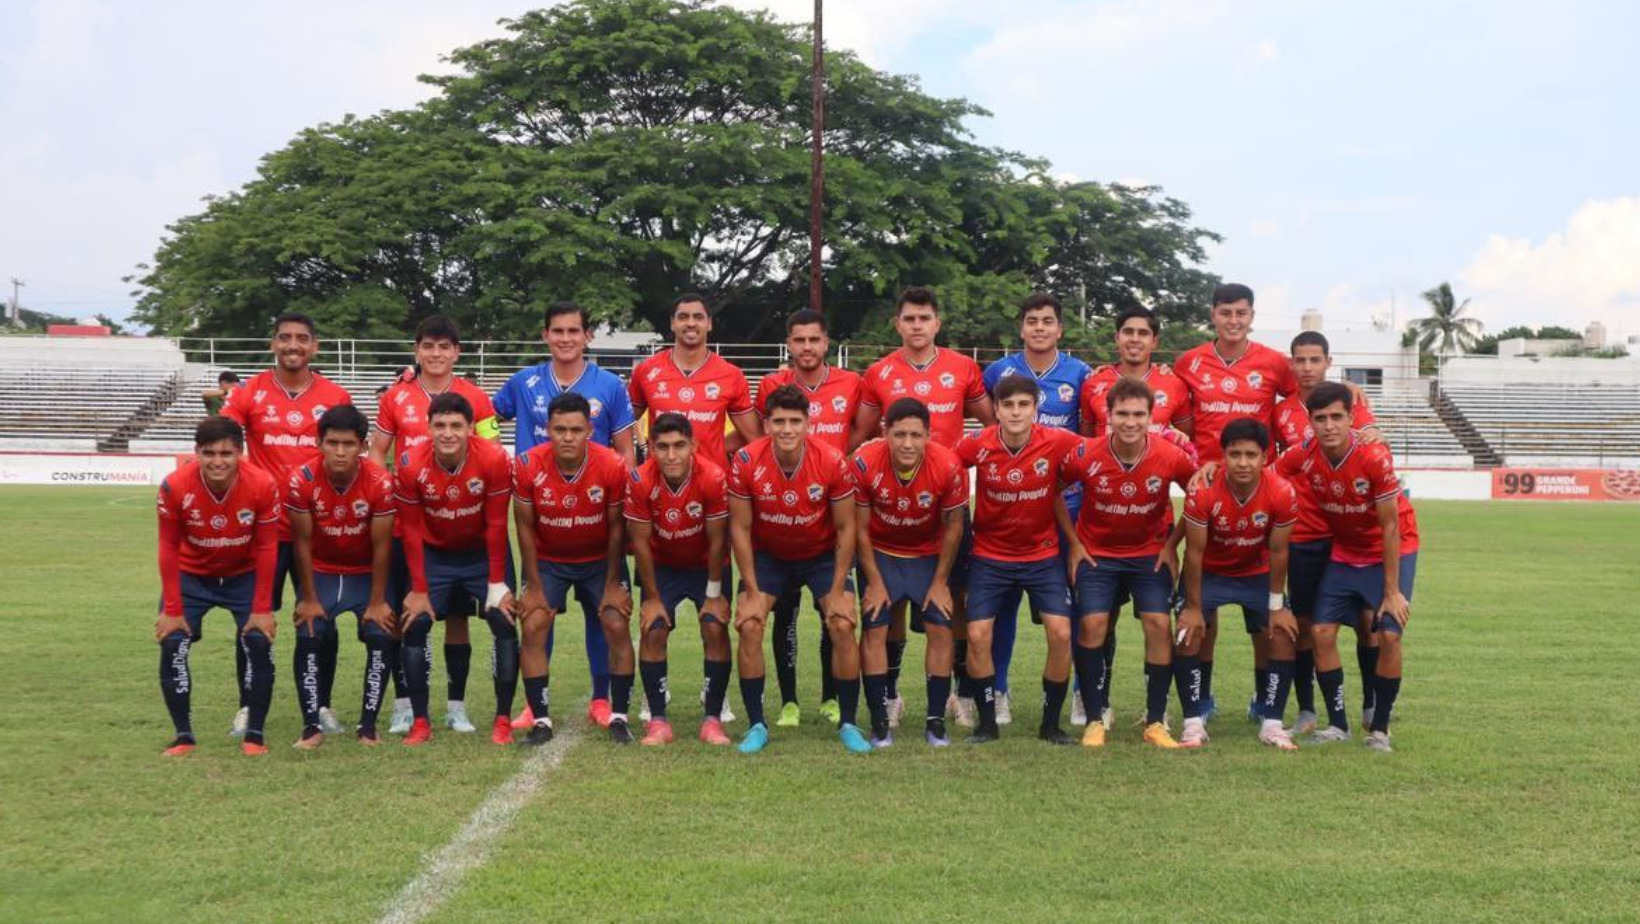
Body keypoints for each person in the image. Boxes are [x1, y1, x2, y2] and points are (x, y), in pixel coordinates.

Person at [853, 286, 994, 727]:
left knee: (954, 604)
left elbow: (991, 425)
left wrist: (958, 458)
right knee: (888, 609)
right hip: (892, 507)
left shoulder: (963, 368)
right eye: (909, 319)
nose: (917, 326)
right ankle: (890, 695)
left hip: (944, 504)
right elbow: (859, 435)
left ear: (937, 323)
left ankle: (958, 693)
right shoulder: (878, 372)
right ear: (898, 324)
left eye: (925, 318)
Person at [493, 302, 637, 729]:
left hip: (595, 504)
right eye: (557, 330)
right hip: (541, 506)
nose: (566, 338)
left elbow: (626, 446)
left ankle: (600, 696)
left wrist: (619, 482)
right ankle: (534, 704)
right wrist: (497, 463)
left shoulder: (609, 385)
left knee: (604, 614)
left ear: (587, 336)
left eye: (574, 330)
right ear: (545, 335)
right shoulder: (524, 381)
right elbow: (485, 417)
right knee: (538, 616)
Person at [220, 312, 352, 737]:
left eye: (302, 339)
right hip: (267, 532)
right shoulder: (249, 392)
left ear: (315, 346)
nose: (293, 345)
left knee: (321, 618)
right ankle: (247, 704)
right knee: (254, 617)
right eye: (285, 338)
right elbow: (222, 441)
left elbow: (346, 456)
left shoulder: (335, 395)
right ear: (273, 343)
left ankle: (322, 704)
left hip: (321, 531)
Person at [369, 315, 500, 736]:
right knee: (409, 613)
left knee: (458, 618)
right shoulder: (395, 396)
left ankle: (456, 706)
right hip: (411, 522)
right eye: (429, 346)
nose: (437, 354)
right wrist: (385, 495)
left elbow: (491, 450)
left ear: (457, 352)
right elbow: (377, 453)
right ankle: (405, 703)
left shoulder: (476, 397)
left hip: (462, 523)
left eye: (445, 347)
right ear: (417, 350)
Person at [1173, 283, 1297, 720]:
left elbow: (1302, 402)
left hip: (1259, 492)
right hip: (1210, 488)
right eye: (1226, 312)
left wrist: (1357, 404)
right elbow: (1180, 422)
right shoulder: (1189, 361)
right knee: (1203, 609)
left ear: (1251, 316)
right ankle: (1201, 701)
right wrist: (1197, 465)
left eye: (1241, 313)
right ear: (1213, 314)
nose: (1233, 320)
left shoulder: (1275, 363)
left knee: (1264, 621)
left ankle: (1265, 703)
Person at [1275, 382, 1418, 752]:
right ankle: (1338, 724)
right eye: (1320, 418)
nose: (1329, 425)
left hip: (1391, 549)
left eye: (1337, 417)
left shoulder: (1373, 457)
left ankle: (1381, 730)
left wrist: (1392, 591)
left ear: (1351, 418)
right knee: (1321, 631)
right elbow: (1266, 475)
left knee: (1388, 634)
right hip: (1345, 550)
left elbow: (1390, 527)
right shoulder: (1305, 453)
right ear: (1310, 422)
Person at [1073, 305, 1195, 728]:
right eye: (1127, 331)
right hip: (1098, 543)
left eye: (1144, 332)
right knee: (1094, 622)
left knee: (1159, 623)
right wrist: (1073, 543)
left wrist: (1171, 543)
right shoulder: (1094, 386)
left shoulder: (1173, 388)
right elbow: (1076, 454)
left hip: (1150, 545)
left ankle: (1155, 716)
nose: (1135, 338)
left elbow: (1195, 486)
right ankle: (1094, 709)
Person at [727, 384, 864, 754]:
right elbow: (739, 528)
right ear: (767, 425)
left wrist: (837, 588)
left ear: (808, 423)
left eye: (795, 421)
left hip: (820, 556)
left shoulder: (832, 460)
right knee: (750, 624)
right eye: (779, 422)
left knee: (842, 623)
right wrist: (752, 590)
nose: (787, 429)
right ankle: (757, 724)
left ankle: (849, 722)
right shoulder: (746, 461)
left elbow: (846, 528)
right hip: (769, 556)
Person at [982, 292, 1092, 726]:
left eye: (1048, 321)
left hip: (1067, 509)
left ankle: (1085, 695)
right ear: (1022, 328)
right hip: (1011, 507)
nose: (1040, 328)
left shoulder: (1080, 374)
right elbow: (990, 428)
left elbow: (1085, 439)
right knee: (1002, 605)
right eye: (1032, 321)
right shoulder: (998, 372)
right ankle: (999, 689)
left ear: (1060, 329)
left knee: (1077, 609)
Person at [954, 375, 1081, 745]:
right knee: (978, 635)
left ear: (1035, 409)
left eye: (1023, 405)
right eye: (1008, 405)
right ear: (995, 409)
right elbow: (941, 461)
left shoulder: (1056, 440)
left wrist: (1171, 438)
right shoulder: (978, 443)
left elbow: (1100, 451)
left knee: (1060, 633)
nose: (1015, 412)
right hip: (989, 556)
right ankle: (987, 724)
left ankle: (1050, 724)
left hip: (1042, 556)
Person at [755, 308, 865, 728]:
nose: (806, 347)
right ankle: (789, 701)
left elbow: (863, 429)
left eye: (813, 340)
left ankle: (831, 697)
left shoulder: (850, 383)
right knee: (783, 613)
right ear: (789, 343)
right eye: (798, 340)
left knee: (831, 612)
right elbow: (760, 434)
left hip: (829, 507)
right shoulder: (772, 385)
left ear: (826, 343)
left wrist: (832, 462)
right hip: (782, 511)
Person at [393, 393, 518, 746]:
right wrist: (418, 589)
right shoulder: (409, 463)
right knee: (415, 623)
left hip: (482, 551)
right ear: (429, 427)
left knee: (503, 619)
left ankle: (503, 720)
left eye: (456, 426)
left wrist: (496, 583)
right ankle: (420, 721)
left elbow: (496, 524)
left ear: (470, 430)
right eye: (440, 425)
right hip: (434, 554)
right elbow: (412, 530)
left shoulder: (493, 458)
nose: (448, 433)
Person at [153, 417, 280, 756]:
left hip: (244, 576)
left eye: (226, 452)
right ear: (196, 453)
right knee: (173, 643)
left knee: (257, 641)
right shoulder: (174, 486)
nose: (217, 461)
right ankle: (183, 737)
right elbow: (167, 547)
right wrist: (173, 609)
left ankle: (254, 736)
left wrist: (262, 608)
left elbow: (269, 547)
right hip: (191, 576)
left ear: (240, 452)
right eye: (208, 453)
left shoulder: (262, 484)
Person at [511, 393, 634, 745]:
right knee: (534, 623)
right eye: (560, 429)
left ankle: (619, 715)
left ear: (590, 430)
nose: (568, 437)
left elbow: (616, 529)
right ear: (547, 429)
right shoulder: (527, 465)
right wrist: (533, 586)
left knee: (614, 620)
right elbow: (524, 528)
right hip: (550, 561)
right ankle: (541, 719)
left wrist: (613, 582)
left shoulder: (611, 464)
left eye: (576, 430)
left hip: (598, 561)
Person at [1274, 330, 1380, 735]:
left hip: (1344, 534)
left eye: (1314, 360)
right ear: (1291, 364)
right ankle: (1307, 710)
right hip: (1302, 536)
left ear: (1327, 362)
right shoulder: (1281, 411)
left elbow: (1373, 441)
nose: (1306, 368)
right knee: (1305, 626)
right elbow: (1274, 465)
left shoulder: (1349, 401)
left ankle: (1370, 704)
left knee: (1367, 623)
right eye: (1299, 360)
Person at [1176, 418, 1301, 750]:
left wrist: (1277, 607)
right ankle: (1193, 721)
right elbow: (1195, 553)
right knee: (1188, 632)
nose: (1243, 463)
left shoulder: (1282, 491)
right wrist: (1191, 607)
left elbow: (1278, 551)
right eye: (1234, 454)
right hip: (1210, 573)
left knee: (1284, 634)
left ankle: (1272, 722)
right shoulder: (1202, 489)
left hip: (1256, 573)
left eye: (1251, 455)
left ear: (1265, 457)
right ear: (1223, 456)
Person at [853, 398, 970, 747]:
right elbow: (857, 529)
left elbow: (954, 529)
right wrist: (873, 581)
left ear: (928, 436)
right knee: (875, 627)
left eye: (916, 435)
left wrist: (939, 582)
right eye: (899, 434)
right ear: (885, 432)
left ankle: (935, 721)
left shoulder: (948, 465)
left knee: (940, 625)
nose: (907, 443)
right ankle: (879, 719)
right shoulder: (863, 463)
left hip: (927, 556)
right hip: (881, 555)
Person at [285, 405, 398, 749]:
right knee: (309, 631)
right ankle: (310, 726)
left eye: (348, 444)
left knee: (381, 634)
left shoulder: (380, 482)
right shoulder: (301, 479)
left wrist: (378, 602)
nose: (339, 451)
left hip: (366, 573)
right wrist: (307, 598)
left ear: (362, 447)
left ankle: (368, 726)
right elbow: (301, 543)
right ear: (319, 442)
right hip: (322, 570)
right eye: (332, 442)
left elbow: (382, 546)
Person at [624, 413, 733, 746]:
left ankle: (712, 720)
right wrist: (653, 598)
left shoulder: (713, 477)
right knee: (653, 630)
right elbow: (640, 543)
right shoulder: (641, 480)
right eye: (662, 447)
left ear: (694, 446)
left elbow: (718, 541)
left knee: (715, 626)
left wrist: (714, 593)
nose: (671, 455)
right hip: (662, 565)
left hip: (706, 565)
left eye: (679, 446)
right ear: (651, 448)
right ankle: (658, 721)